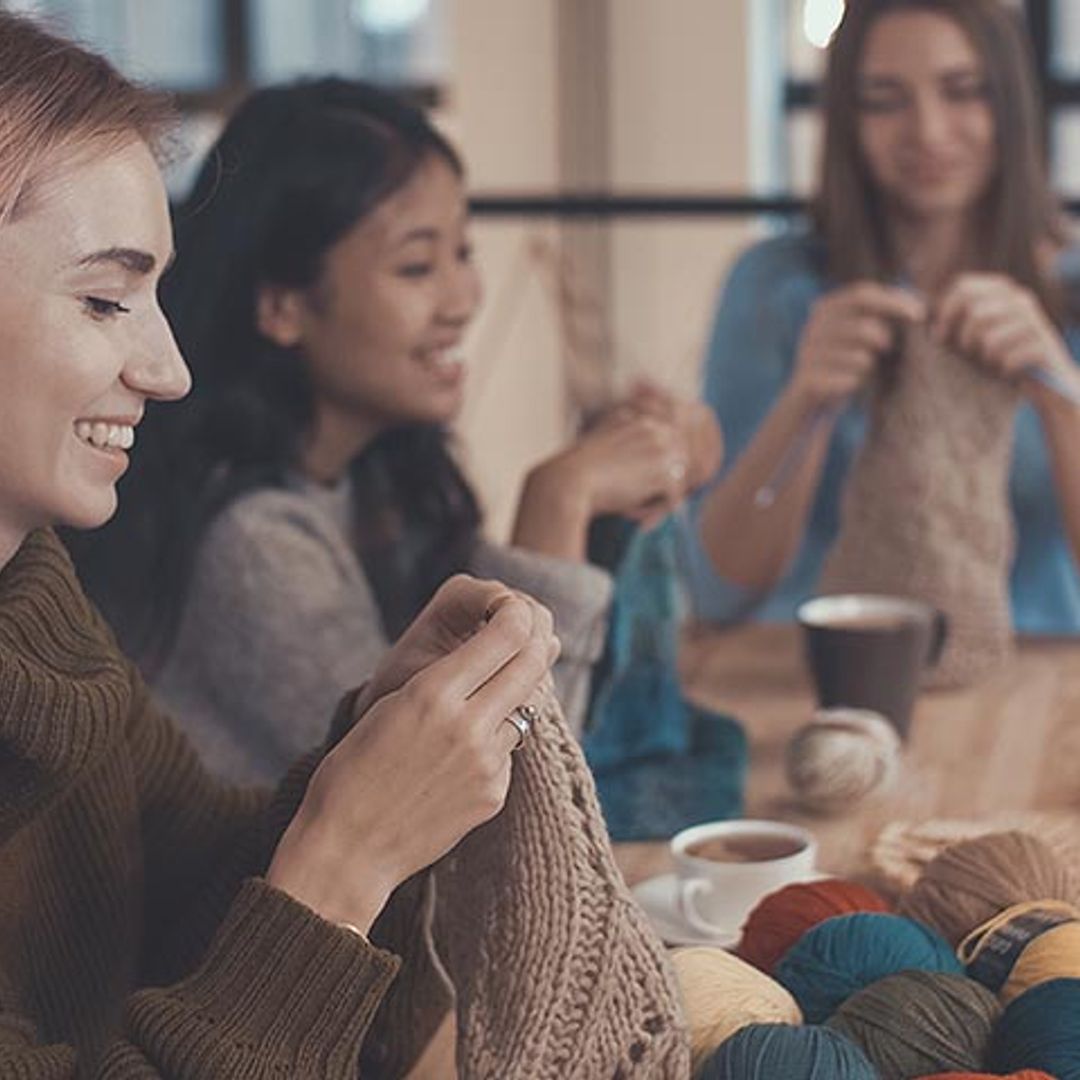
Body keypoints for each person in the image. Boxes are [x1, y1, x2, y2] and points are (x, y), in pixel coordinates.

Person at [0, 12, 689, 1076]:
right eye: (103, 299)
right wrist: (349, 851)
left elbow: (188, 891)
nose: (166, 368)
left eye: (154, 298)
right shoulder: (243, 536)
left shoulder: (35, 606)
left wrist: (369, 738)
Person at [67, 78, 721, 784]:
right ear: (283, 305)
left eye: (463, 253)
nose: (464, 298)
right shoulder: (250, 544)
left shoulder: (377, 475)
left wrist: (630, 480)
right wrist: (559, 500)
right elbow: (500, 803)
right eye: (416, 265)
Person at [684, 0, 1080, 632]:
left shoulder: (1070, 290)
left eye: (963, 91)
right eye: (885, 99)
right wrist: (805, 402)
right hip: (820, 667)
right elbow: (717, 591)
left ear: (1011, 103)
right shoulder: (775, 286)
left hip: (1040, 673)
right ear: (848, 119)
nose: (927, 130)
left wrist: (1062, 393)